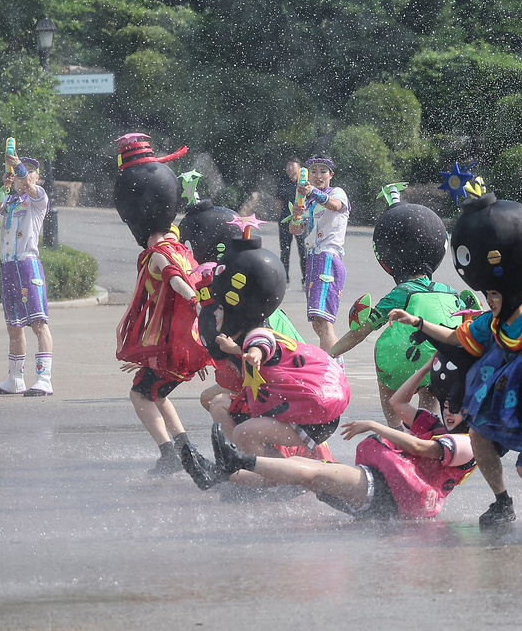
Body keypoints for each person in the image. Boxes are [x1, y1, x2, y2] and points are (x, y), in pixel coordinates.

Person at [398, 170, 522, 527]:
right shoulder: (489, 324)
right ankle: (502, 503)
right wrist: (418, 323)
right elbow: (456, 339)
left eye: (493, 295)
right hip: (510, 407)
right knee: (478, 434)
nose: (488, 300)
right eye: (488, 294)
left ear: (511, 292)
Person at [186, 348, 475, 520]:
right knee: (304, 477)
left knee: (313, 473)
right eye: (447, 406)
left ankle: (235, 464)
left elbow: (420, 448)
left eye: (456, 409)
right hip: (380, 487)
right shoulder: (436, 426)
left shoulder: (468, 445)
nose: (448, 413)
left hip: (391, 497)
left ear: (471, 412)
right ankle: (218, 474)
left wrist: (375, 426)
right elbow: (397, 403)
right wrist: (427, 367)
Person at [179, 234, 351, 490]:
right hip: (305, 404)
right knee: (220, 405)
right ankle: (239, 472)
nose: (215, 316)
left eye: (220, 312)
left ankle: (264, 477)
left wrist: (251, 354)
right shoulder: (248, 337)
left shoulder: (258, 334)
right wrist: (236, 349)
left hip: (313, 415)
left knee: (245, 433)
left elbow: (262, 345)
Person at [111, 133, 212, 475]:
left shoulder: (157, 256)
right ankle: (185, 449)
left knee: (140, 395)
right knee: (156, 392)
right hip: (182, 345)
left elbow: (176, 280)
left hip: (173, 347)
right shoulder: (180, 247)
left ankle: (170, 453)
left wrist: (193, 300)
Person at [330, 190, 467, 428]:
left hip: (403, 360)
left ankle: (394, 431)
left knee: (389, 385)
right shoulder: (449, 290)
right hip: (445, 361)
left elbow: (361, 331)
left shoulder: (400, 293)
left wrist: (328, 355)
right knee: (431, 386)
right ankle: (427, 430)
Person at [0, 153, 55, 396]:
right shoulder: (12, 202)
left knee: (38, 322)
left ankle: (44, 379)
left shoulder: (38, 200)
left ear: (37, 178)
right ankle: (15, 379)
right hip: (8, 265)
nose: (22, 177)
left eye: (29, 171)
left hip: (27, 264)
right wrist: (5, 185)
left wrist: (17, 166)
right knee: (13, 326)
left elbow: (27, 184)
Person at [289, 155, 349, 351]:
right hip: (313, 260)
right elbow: (294, 230)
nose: (318, 175)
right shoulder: (309, 202)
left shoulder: (337, 193)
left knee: (324, 322)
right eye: (313, 172)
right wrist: (297, 215)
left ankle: (333, 368)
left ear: (331, 175)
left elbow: (335, 205)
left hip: (328, 259)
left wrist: (312, 191)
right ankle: (332, 364)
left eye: (323, 171)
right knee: (317, 323)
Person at [275, 158, 307, 284]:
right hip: (285, 220)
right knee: (285, 250)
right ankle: (284, 280)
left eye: (292, 165)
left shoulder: (304, 184)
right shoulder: (283, 182)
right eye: (287, 165)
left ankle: (305, 279)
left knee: (303, 251)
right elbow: (279, 203)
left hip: (302, 221)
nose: (289, 167)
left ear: (300, 168)